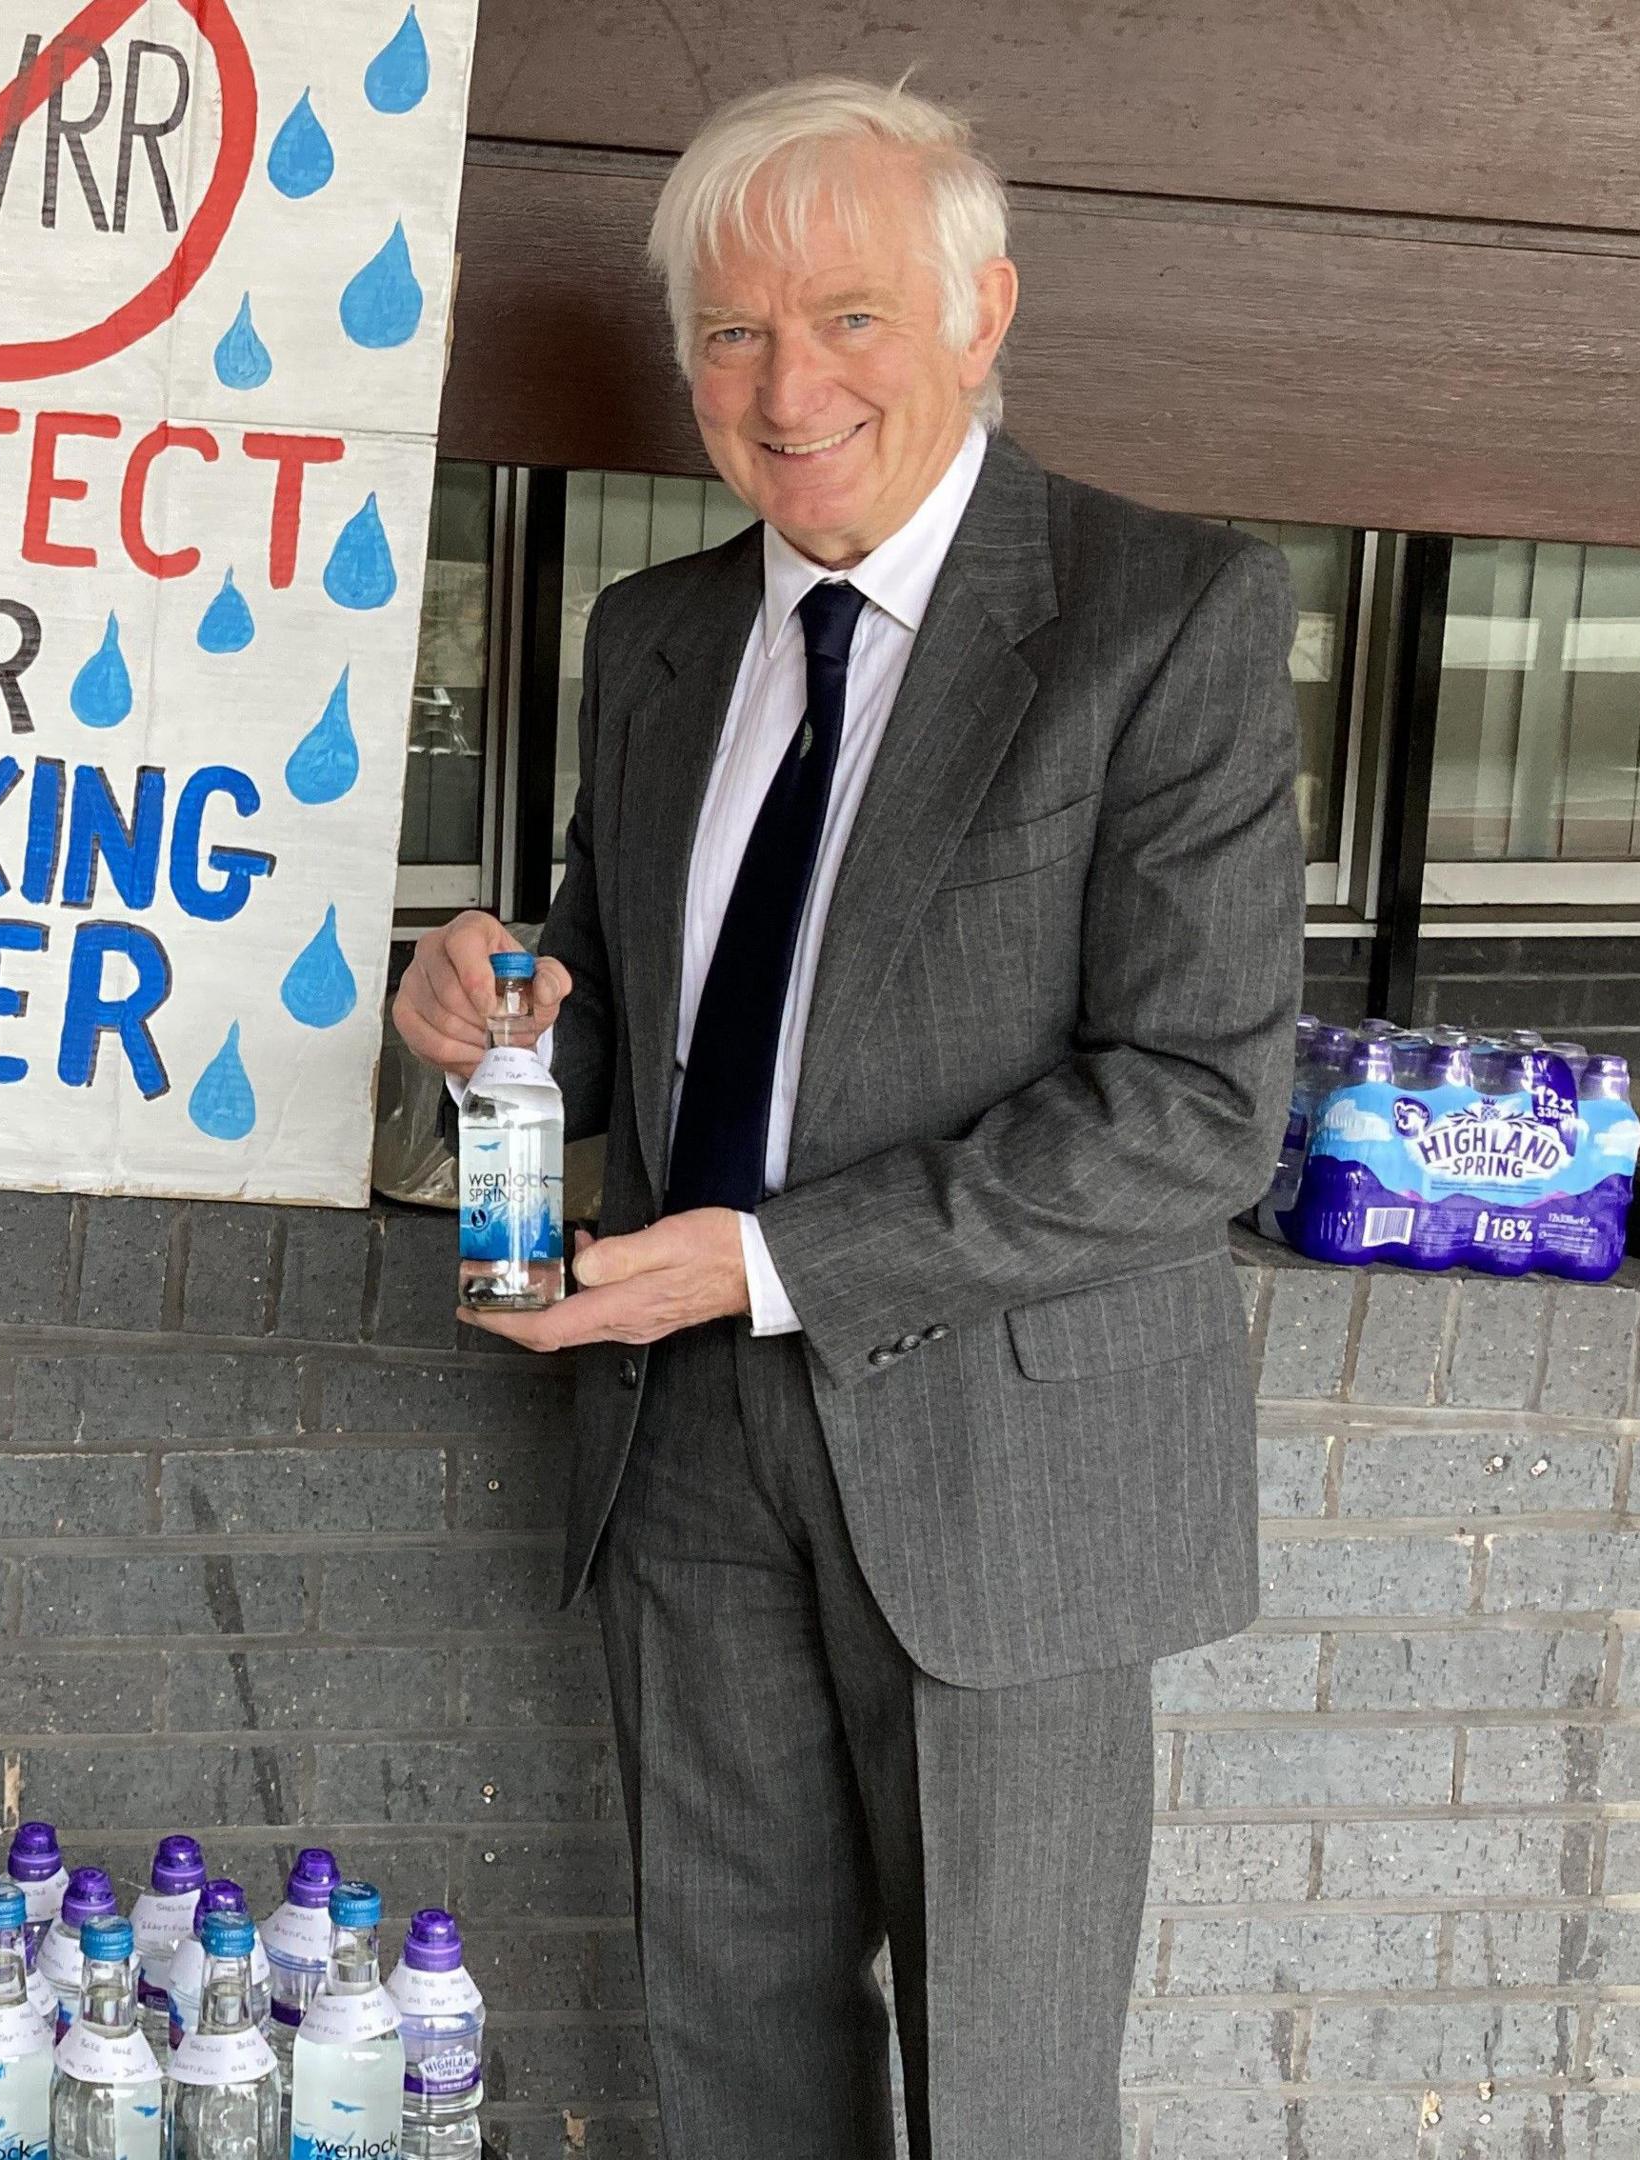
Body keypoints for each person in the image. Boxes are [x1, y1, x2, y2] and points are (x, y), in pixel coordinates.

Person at [388, 78, 1301, 2158]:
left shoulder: (1166, 618)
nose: (785, 384)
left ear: (982, 312)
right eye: (729, 330)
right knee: (730, 2066)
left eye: (851, 317)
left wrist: (775, 1257)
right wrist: (491, 1025)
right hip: (681, 1441)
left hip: (1006, 1467)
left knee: (1002, 2090)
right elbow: (623, 1016)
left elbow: (1194, 1112)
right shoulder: (657, 636)